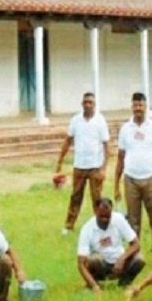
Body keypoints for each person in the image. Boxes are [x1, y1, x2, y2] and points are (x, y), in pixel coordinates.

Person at [114, 92, 152, 261]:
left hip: (151, 178)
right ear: (132, 107)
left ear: (145, 107)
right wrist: (116, 185)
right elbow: (120, 157)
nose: (138, 108)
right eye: (135, 105)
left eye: (141, 105)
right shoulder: (125, 129)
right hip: (131, 180)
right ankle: (135, 255)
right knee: (133, 221)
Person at [56, 92, 110, 235]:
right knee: (75, 196)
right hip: (79, 166)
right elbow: (68, 140)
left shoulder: (100, 120)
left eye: (90, 102)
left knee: (97, 198)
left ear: (94, 104)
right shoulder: (76, 120)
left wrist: (104, 168)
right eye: (85, 102)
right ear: (81, 104)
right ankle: (68, 225)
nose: (87, 105)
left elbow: (106, 145)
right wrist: (60, 160)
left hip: (95, 166)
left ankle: (101, 225)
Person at [77, 198, 145, 293]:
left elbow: (136, 244)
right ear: (95, 211)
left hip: (119, 263)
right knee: (94, 259)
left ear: (111, 212)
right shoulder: (87, 229)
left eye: (108, 216)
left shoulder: (119, 219)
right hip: (101, 265)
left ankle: (124, 284)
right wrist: (94, 286)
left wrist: (122, 259)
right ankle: (94, 284)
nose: (105, 219)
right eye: (101, 216)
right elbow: (81, 264)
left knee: (139, 259)